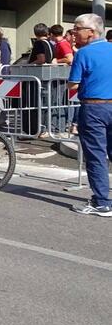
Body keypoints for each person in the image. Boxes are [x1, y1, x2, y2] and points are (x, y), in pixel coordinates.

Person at [67, 13, 112, 216]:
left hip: (93, 108)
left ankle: (102, 202)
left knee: (96, 156)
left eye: (77, 29)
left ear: (91, 32)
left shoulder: (83, 54)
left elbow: (73, 83)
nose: (74, 32)